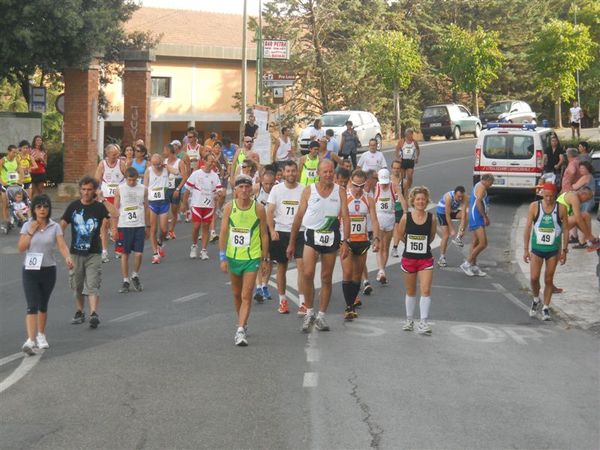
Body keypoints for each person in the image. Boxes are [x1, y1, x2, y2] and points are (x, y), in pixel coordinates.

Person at [288, 159, 350, 332]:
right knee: (307, 274)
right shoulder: (309, 191)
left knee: (326, 277)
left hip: (331, 237)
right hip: (312, 235)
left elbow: (345, 217)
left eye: (331, 172)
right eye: (325, 172)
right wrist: (292, 243)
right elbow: (299, 217)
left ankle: (321, 316)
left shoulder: (341, 191)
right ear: (318, 173)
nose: (329, 174)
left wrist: (346, 241)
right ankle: (309, 311)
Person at [18, 194, 73, 354]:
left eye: (45, 207)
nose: (42, 209)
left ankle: (41, 335)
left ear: (49, 209)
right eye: (39, 207)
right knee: (31, 305)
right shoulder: (27, 225)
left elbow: (62, 245)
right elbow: (21, 247)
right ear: (34, 209)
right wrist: (30, 232)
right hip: (30, 269)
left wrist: (68, 257)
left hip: (48, 269)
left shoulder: (54, 226)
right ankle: (30, 339)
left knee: (43, 304)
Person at [219, 174, 270, 346]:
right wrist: (222, 256)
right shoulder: (229, 207)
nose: (244, 190)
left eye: (247, 187)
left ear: (251, 189)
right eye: (241, 187)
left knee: (246, 294)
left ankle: (240, 330)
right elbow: (224, 232)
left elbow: (264, 234)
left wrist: (264, 259)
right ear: (235, 190)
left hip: (252, 257)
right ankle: (242, 321)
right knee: (236, 294)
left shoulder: (258, 209)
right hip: (233, 257)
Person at [61, 176, 117, 329]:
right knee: (77, 285)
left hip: (94, 253)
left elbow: (115, 213)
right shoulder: (73, 207)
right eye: (84, 189)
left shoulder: (99, 207)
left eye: (89, 190)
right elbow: (61, 227)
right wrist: (64, 250)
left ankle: (93, 313)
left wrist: (103, 199)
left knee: (92, 284)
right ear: (80, 190)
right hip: (76, 253)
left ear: (94, 191)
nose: (86, 192)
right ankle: (80, 311)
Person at [266, 160, 307, 315]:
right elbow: (270, 211)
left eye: (293, 171)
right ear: (283, 173)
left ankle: (302, 302)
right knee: (281, 267)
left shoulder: (304, 189)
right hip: (281, 231)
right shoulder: (277, 189)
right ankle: (282, 301)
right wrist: (272, 230)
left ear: (297, 172)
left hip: (300, 232)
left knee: (302, 268)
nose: (291, 174)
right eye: (288, 171)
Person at [523, 183, 568, 321]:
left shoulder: (561, 208)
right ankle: (536, 299)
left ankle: (546, 307)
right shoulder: (534, 206)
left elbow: (566, 229)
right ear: (542, 194)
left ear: (556, 196)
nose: (548, 199)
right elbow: (528, 228)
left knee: (549, 279)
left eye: (551, 196)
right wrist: (525, 249)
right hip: (537, 249)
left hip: (553, 250)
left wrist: (565, 250)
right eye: (546, 196)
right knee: (534, 278)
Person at [341, 169, 380, 320]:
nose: (358, 189)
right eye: (355, 185)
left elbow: (375, 220)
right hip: (347, 241)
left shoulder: (368, 199)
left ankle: (352, 302)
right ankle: (349, 306)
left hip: (362, 240)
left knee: (357, 275)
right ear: (351, 181)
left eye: (361, 186)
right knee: (348, 273)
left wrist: (376, 238)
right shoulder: (344, 197)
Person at [398, 186, 437, 335]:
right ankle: (409, 320)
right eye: (418, 199)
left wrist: (421, 245)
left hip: (425, 259)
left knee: (426, 290)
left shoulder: (431, 218)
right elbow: (400, 234)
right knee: (411, 290)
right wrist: (410, 245)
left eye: (423, 199)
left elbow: (432, 236)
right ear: (413, 201)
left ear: (427, 201)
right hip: (409, 259)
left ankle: (424, 322)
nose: (421, 201)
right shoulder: (406, 217)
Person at [184, 152, 224, 260]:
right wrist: (185, 206)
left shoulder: (215, 176)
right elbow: (187, 190)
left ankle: (204, 250)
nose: (212, 164)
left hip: (209, 205)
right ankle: (194, 245)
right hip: (197, 204)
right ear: (204, 161)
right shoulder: (196, 174)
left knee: (206, 227)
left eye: (213, 162)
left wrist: (217, 194)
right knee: (196, 226)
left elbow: (220, 190)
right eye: (210, 161)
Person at [113, 167, 147, 293]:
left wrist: (147, 226)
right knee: (125, 254)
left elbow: (146, 207)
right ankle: (125, 280)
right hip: (124, 225)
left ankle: (135, 275)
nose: (132, 182)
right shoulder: (120, 189)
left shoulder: (143, 189)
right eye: (129, 180)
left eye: (134, 180)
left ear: (137, 179)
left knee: (139, 253)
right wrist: (114, 228)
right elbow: (115, 209)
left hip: (139, 224)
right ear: (125, 178)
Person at [94, 144, 126, 263]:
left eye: (117, 154)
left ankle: (119, 248)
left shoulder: (121, 164)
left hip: (118, 198)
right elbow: (96, 180)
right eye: (113, 154)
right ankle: (104, 251)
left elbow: (128, 178)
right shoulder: (102, 164)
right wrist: (97, 191)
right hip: (106, 198)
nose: (116, 156)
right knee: (104, 223)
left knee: (118, 223)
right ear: (107, 154)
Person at [461, 173, 494, 277]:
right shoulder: (482, 188)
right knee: (483, 243)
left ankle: (473, 266)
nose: (491, 185)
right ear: (487, 180)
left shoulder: (478, 185)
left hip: (476, 216)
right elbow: (478, 202)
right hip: (477, 217)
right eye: (491, 183)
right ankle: (466, 263)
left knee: (475, 242)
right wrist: (484, 216)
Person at [374, 168, 403, 284]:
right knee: (379, 246)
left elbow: (401, 199)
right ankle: (381, 271)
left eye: (386, 182)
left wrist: (406, 213)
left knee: (386, 247)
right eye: (382, 182)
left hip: (390, 218)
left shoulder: (393, 186)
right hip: (379, 218)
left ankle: (382, 270)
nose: (384, 185)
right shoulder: (375, 186)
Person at [251, 168, 276, 302]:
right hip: (258, 227)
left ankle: (265, 285)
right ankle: (259, 287)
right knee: (259, 257)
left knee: (269, 259)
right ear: (262, 182)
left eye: (271, 184)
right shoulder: (255, 189)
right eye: (266, 184)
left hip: (272, 227)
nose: (268, 186)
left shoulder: (278, 191)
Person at [144, 153, 174, 264]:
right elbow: (145, 188)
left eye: (158, 164)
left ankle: (160, 243)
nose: (156, 166)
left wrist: (166, 166)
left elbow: (176, 172)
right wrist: (145, 203)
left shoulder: (166, 169)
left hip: (164, 203)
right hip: (152, 203)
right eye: (154, 164)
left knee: (164, 230)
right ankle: (155, 254)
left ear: (161, 162)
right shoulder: (149, 171)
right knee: (153, 229)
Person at [436, 186, 467, 267]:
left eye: (461, 196)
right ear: (454, 194)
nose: (460, 198)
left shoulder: (464, 197)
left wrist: (462, 230)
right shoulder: (448, 197)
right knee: (446, 235)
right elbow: (447, 215)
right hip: (442, 212)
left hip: (452, 211)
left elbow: (463, 215)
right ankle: (442, 258)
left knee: (466, 215)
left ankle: (458, 238)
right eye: (458, 196)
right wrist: (452, 229)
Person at [163, 143, 188, 240]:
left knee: (174, 211)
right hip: (166, 188)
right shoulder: (164, 161)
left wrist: (178, 189)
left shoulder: (180, 162)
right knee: (165, 211)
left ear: (169, 151)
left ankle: (171, 230)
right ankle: (165, 231)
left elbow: (184, 177)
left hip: (175, 188)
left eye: (164, 150)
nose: (163, 152)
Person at [0, 144, 24, 231]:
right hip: (5, 185)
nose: (15, 154)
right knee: (5, 205)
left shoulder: (16, 160)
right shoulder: (3, 160)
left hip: (15, 185)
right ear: (8, 151)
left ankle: (18, 219)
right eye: (13, 152)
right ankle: (6, 222)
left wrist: (21, 180)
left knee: (17, 203)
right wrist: (2, 182)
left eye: (16, 152)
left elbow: (21, 171)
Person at [391, 160, 407, 258]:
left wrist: (406, 210)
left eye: (398, 168)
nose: (396, 170)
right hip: (388, 207)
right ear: (391, 169)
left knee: (398, 227)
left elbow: (405, 196)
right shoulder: (387, 180)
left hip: (399, 207)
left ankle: (395, 248)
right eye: (394, 168)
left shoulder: (404, 182)